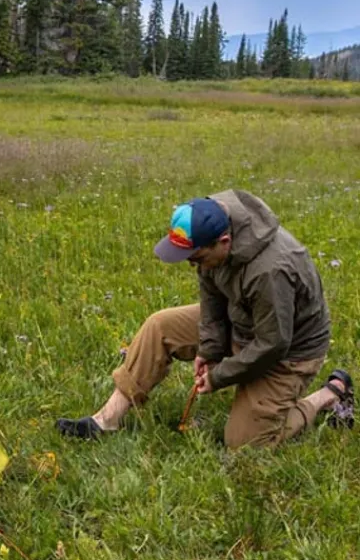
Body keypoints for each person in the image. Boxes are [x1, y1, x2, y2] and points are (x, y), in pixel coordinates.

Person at [57, 190, 352, 447]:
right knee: (159, 325)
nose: (192, 266)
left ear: (224, 242)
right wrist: (210, 350)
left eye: (196, 259)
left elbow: (272, 343)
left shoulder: (270, 272)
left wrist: (219, 376)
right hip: (242, 318)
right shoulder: (214, 220)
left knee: (246, 443)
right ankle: (106, 420)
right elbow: (210, 294)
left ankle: (329, 395)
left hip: (288, 351)